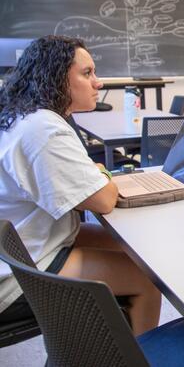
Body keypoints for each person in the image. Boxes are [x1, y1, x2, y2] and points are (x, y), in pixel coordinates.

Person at [0, 36, 160, 336]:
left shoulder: (25, 116)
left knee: (134, 247)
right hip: (21, 272)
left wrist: (97, 173)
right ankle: (139, 355)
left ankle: (109, 337)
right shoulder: (43, 129)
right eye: (87, 73)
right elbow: (103, 200)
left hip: (29, 242)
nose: (97, 83)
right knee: (148, 279)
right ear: (56, 78)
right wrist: (104, 175)